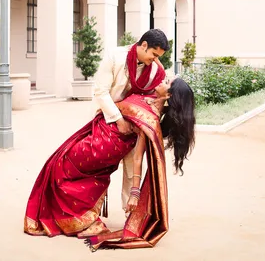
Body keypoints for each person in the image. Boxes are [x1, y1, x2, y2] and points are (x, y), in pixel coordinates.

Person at [23, 78, 196, 252]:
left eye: (167, 82)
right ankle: (76, 219)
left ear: (169, 95)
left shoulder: (151, 119)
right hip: (98, 134)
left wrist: (135, 193)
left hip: (104, 147)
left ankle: (75, 220)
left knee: (63, 167)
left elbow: (138, 157)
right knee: (59, 165)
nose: (162, 79)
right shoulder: (150, 94)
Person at [92, 29, 170, 212]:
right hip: (107, 117)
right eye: (154, 54)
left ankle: (130, 215)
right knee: (100, 168)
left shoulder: (153, 69)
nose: (155, 59)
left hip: (134, 125)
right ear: (144, 45)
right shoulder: (115, 56)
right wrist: (118, 119)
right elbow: (101, 91)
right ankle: (91, 212)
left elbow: (158, 93)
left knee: (131, 168)